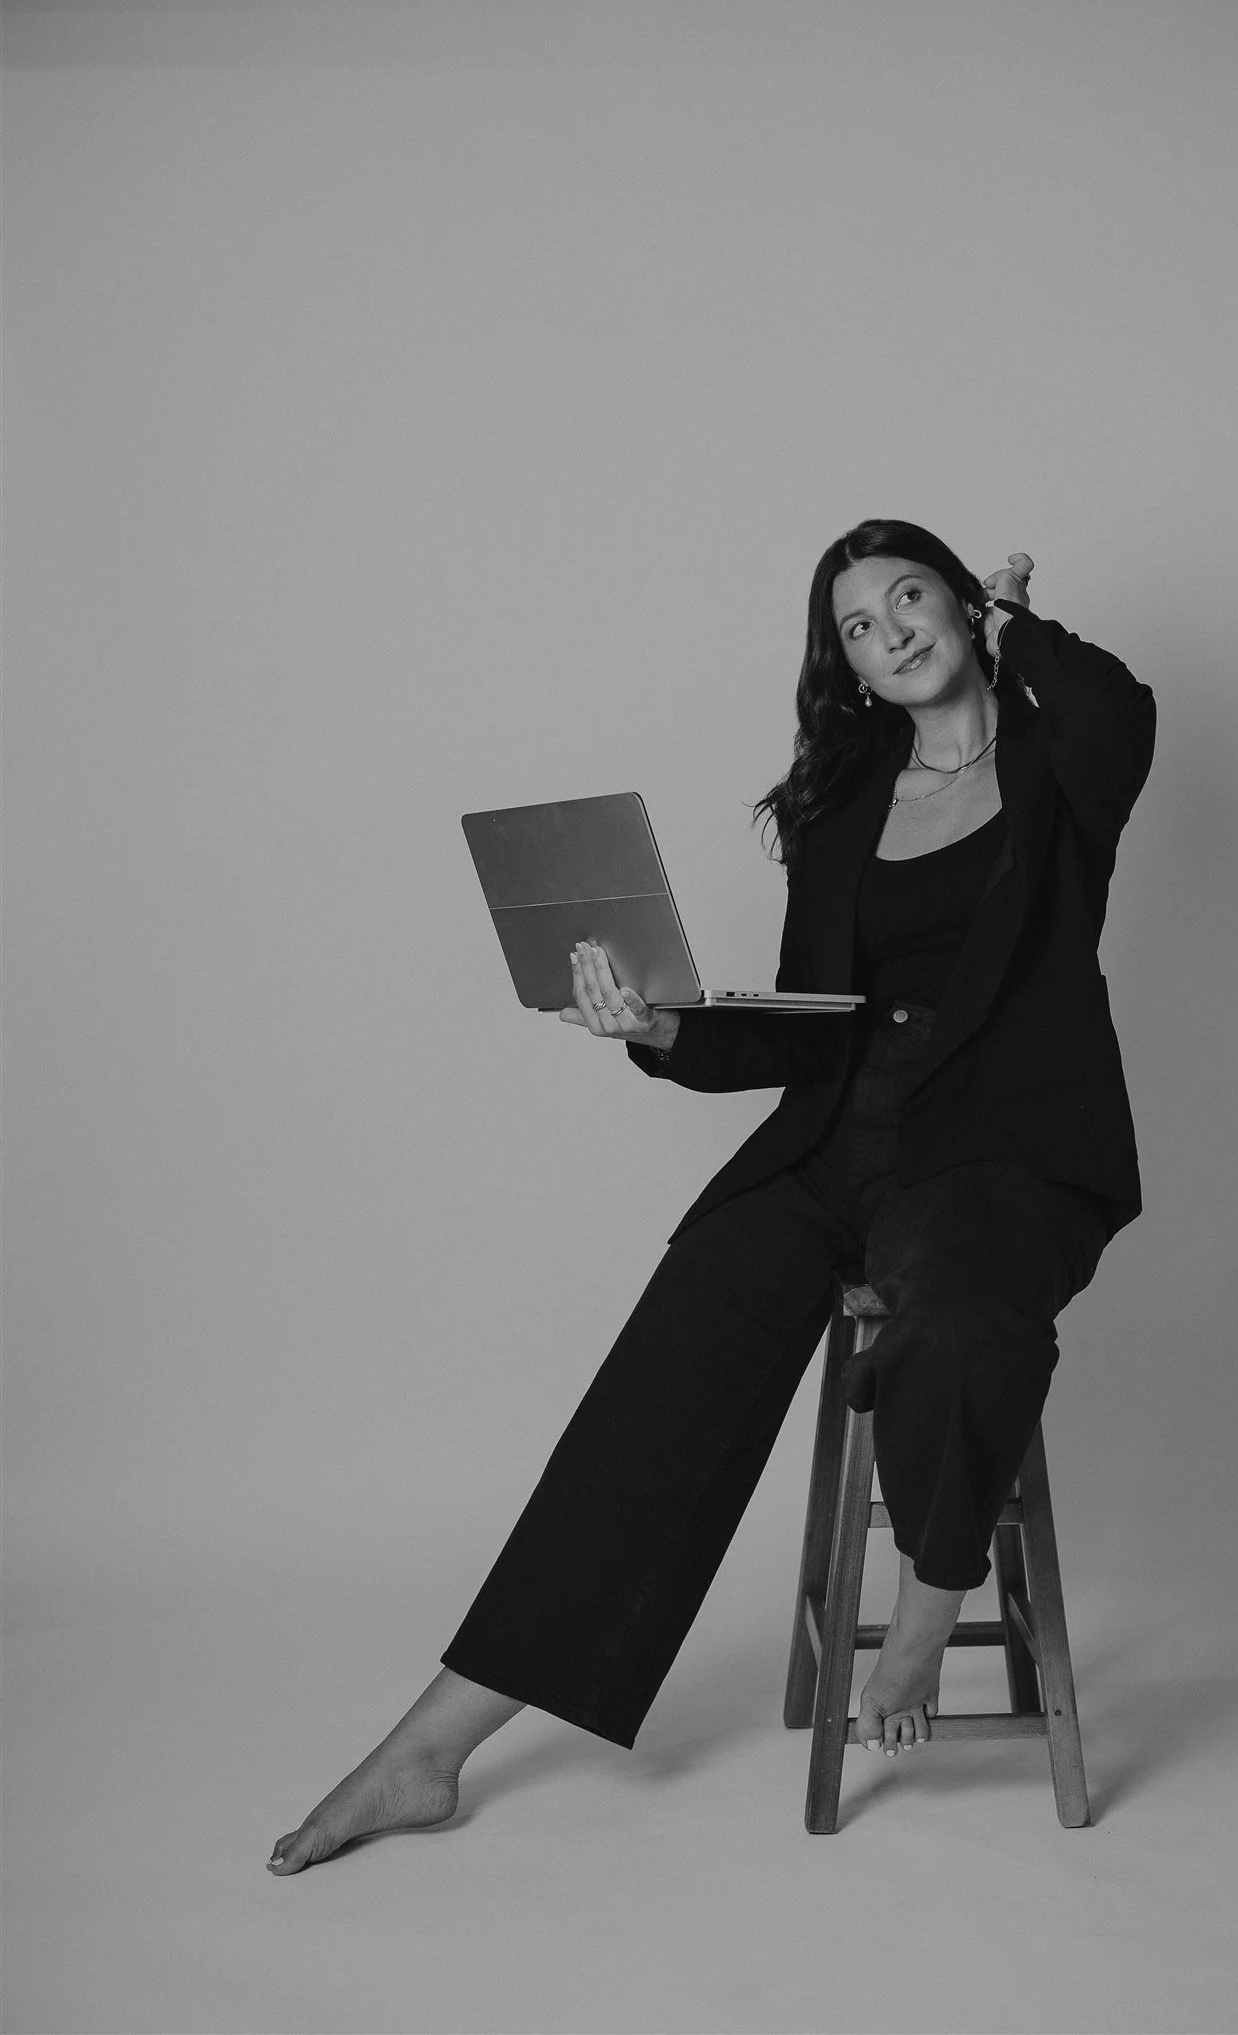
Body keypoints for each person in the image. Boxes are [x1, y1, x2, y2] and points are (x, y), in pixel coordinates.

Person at [268, 520, 1157, 1875]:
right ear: (846, 670)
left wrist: (1017, 624)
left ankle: (924, 1609)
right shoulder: (847, 809)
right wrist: (659, 1026)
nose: (889, 633)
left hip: (1003, 1157)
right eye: (856, 628)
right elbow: (808, 1034)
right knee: (657, 1395)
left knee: (964, 1321)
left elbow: (1121, 703)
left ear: (960, 607)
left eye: (908, 598)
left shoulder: (1062, 763)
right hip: (832, 1152)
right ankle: (428, 1749)